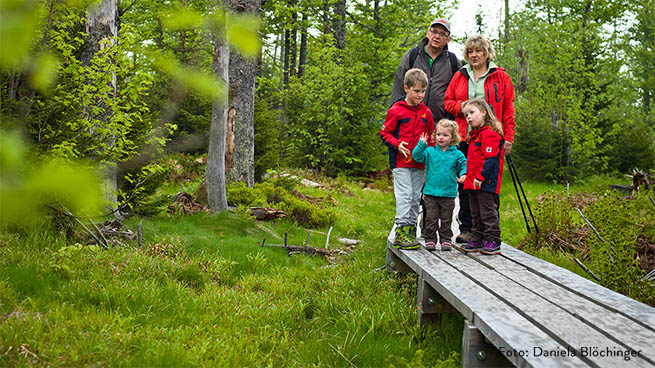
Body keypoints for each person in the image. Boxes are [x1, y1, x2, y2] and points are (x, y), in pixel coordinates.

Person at [444, 34, 516, 244]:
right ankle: (468, 229)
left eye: (478, 51)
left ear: (487, 53)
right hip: (464, 137)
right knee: (466, 184)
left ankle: (490, 232)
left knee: (488, 184)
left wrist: (508, 137)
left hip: (491, 138)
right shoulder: (460, 75)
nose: (474, 55)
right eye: (470, 52)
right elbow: (447, 102)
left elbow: (509, 109)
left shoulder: (500, 76)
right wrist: (464, 107)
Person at [380, 68, 435, 250]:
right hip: (401, 163)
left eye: (423, 91)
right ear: (406, 88)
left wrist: (432, 154)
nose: (420, 95)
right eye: (416, 91)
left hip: (419, 164)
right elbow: (385, 133)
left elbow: (431, 137)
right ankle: (401, 230)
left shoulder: (426, 112)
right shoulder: (396, 110)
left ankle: (411, 230)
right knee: (404, 195)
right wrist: (397, 144)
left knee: (414, 197)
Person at [390, 18, 461, 123]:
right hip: (410, 122)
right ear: (428, 33)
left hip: (441, 127)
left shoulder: (453, 61)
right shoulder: (412, 55)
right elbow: (398, 86)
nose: (437, 36)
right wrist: (394, 114)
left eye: (442, 34)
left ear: (448, 39)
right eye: (434, 31)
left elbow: (458, 94)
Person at [412, 119, 466, 251]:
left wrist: (463, 174)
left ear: (452, 137)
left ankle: (446, 240)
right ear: (434, 135)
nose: (441, 138)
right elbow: (416, 156)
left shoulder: (457, 154)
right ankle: (430, 239)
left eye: (445, 135)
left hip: (448, 193)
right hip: (430, 193)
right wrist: (421, 144)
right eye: (438, 134)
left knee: (446, 219)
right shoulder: (430, 152)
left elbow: (463, 164)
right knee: (431, 218)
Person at [459, 99, 505, 255]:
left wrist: (480, 176)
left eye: (472, 113)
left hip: (486, 183)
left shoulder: (490, 135)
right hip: (472, 183)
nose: (469, 118)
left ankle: (493, 239)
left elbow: (490, 159)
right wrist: (467, 176)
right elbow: (473, 160)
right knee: (475, 212)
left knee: (487, 212)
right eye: (466, 115)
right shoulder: (475, 135)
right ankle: (477, 237)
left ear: (484, 112)